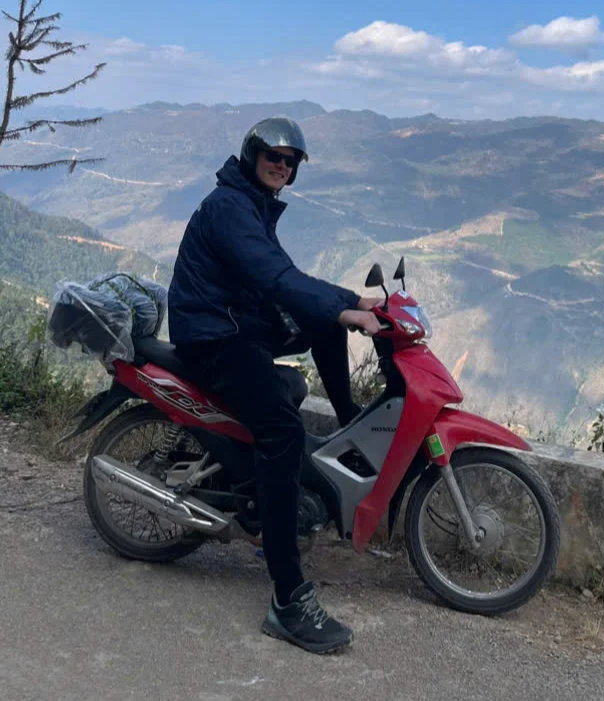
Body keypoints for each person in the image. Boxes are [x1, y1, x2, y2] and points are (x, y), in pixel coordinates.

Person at [167, 117, 382, 654]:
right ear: (252, 153)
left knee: (323, 323)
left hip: (237, 322)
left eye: (291, 162)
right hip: (213, 338)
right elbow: (277, 278)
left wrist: (351, 301)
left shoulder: (252, 204)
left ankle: (348, 423)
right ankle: (288, 601)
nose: (281, 166)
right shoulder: (229, 208)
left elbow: (286, 275)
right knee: (283, 432)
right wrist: (343, 311)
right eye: (273, 155)